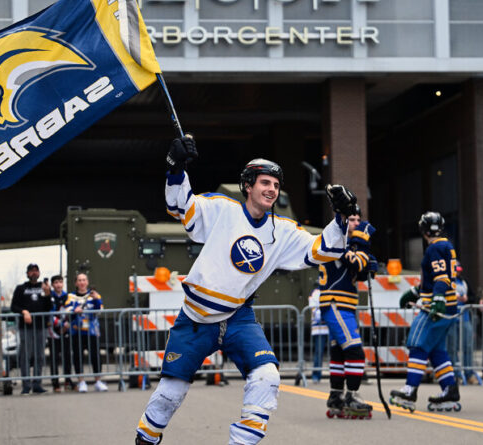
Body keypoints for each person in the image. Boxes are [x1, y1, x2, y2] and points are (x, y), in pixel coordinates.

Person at [135, 137, 356, 444]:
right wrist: (176, 169)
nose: (271, 189)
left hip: (239, 317)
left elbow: (324, 249)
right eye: (265, 182)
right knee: (169, 395)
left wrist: (342, 217)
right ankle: (146, 439)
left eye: (276, 185)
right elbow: (180, 207)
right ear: (248, 186)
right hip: (195, 320)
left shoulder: (283, 230)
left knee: (267, 377)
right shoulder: (221, 209)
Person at [390, 211, 460, 412]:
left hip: (435, 308)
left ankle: (410, 390)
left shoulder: (434, 248)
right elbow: (437, 277)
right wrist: (414, 292)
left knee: (417, 345)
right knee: (437, 351)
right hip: (449, 305)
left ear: (422, 229)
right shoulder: (447, 245)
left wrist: (437, 299)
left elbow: (440, 277)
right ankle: (450, 390)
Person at [317, 204, 376, 419]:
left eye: (358, 220)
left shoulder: (345, 243)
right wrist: (364, 244)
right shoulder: (338, 240)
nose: (357, 223)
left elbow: (357, 269)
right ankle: (351, 395)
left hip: (343, 304)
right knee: (355, 351)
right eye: (352, 219)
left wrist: (367, 263)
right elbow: (359, 262)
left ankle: (335, 396)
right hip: (336, 303)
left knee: (340, 352)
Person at [10, 263, 52, 395]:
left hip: (41, 327)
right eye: (31, 271)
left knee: (40, 356)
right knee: (26, 356)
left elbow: (48, 307)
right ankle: (26, 385)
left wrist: (47, 294)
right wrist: (24, 312)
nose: (34, 273)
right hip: (26, 327)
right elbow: (13, 306)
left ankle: (37, 384)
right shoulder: (21, 288)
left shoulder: (44, 287)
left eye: (36, 271)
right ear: (27, 273)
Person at [71, 273, 107, 393]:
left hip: (92, 332)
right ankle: (81, 381)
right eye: (79, 280)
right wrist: (74, 310)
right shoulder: (71, 296)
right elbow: (66, 310)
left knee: (95, 356)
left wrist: (97, 298)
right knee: (78, 356)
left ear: (87, 282)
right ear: (76, 283)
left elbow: (100, 310)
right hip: (77, 331)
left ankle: (98, 381)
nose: (82, 282)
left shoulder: (94, 295)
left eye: (84, 280)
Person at [446, 262, 480, 385]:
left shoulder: (464, 282)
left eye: (459, 271)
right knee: (452, 348)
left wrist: (466, 299)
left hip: (464, 318)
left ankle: (469, 373)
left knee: (468, 346)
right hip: (451, 318)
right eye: (456, 271)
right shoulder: (446, 282)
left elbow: (473, 297)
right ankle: (455, 374)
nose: (458, 273)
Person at [47, 275, 70, 392]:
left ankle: (68, 380)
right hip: (53, 332)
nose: (58, 285)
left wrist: (66, 325)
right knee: (54, 358)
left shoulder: (68, 296)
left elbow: (70, 311)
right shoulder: (50, 297)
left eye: (60, 282)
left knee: (67, 356)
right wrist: (60, 325)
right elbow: (50, 314)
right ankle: (55, 383)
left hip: (66, 331)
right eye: (56, 282)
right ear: (52, 285)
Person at [307, 288, 327, 384]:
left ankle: (338, 376)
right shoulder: (316, 293)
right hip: (320, 329)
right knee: (319, 352)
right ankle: (316, 375)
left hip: (330, 326)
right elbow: (316, 313)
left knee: (337, 351)